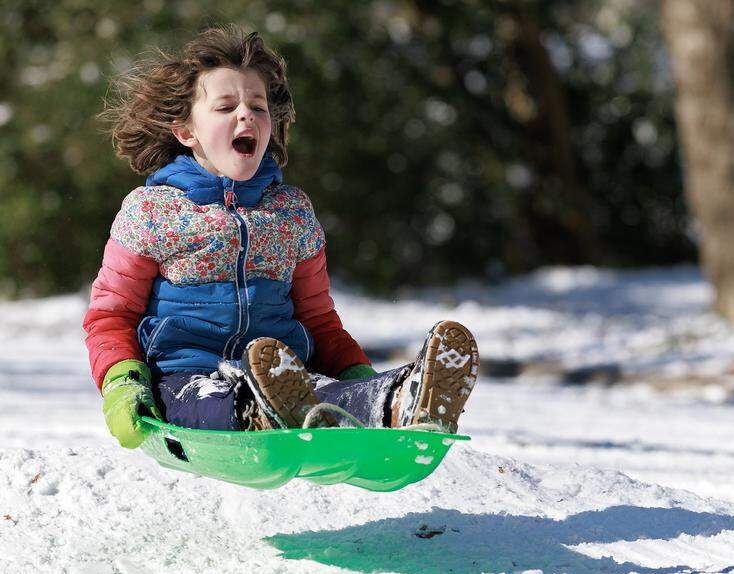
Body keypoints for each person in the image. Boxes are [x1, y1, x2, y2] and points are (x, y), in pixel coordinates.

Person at [82, 25, 479, 448]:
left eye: (258, 106)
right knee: (212, 400)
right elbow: (112, 313)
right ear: (186, 131)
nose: (246, 115)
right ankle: (261, 412)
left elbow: (319, 321)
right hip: (184, 376)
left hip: (288, 373)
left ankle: (398, 400)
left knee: (331, 397)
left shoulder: (290, 213)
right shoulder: (152, 211)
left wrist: (356, 374)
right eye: (225, 107)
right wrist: (122, 381)